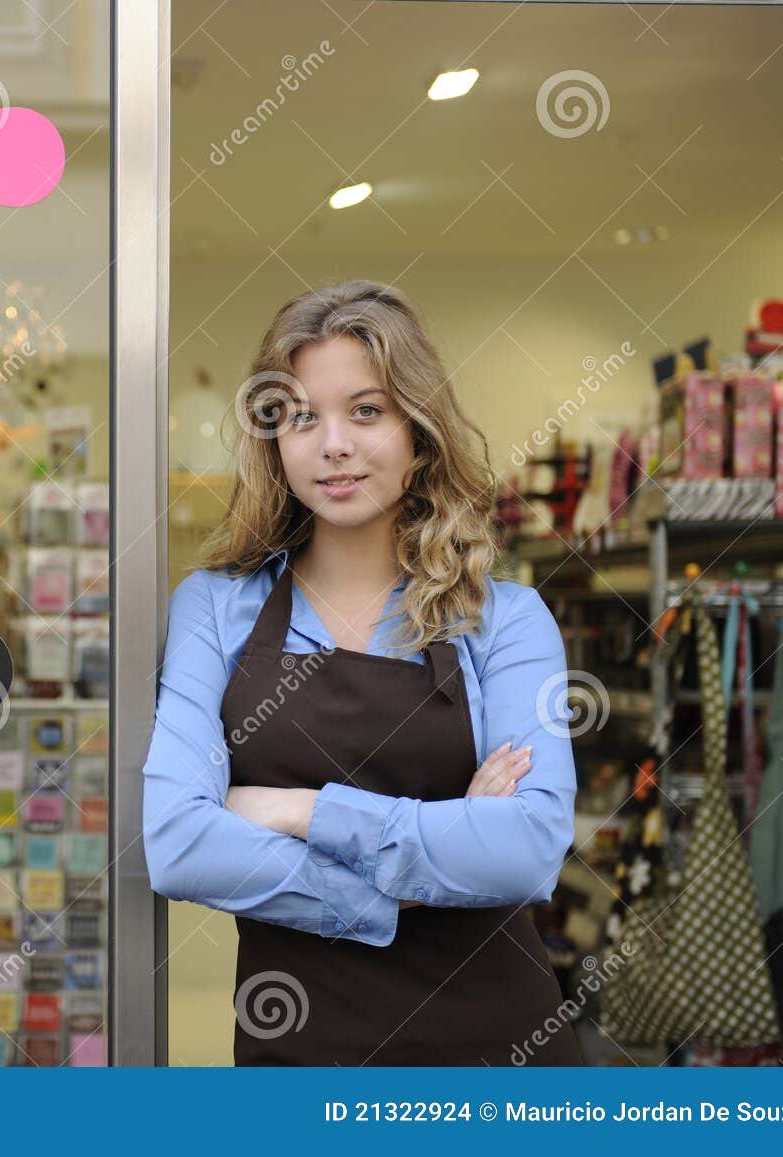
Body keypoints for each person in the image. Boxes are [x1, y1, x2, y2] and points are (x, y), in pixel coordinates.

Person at [141, 280, 582, 1065]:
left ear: (419, 432)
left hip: (498, 1047)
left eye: (367, 411)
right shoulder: (214, 608)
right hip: (297, 1045)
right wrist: (418, 878)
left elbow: (526, 851)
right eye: (302, 416)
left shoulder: (504, 620)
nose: (333, 443)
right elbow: (178, 844)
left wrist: (293, 809)